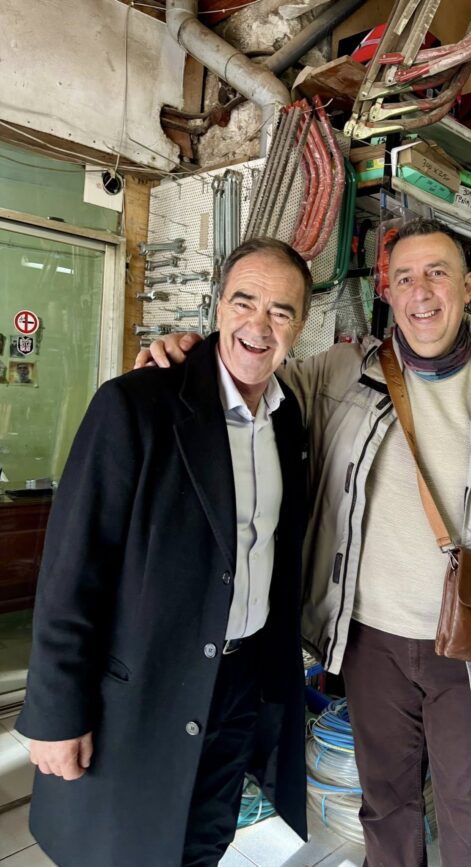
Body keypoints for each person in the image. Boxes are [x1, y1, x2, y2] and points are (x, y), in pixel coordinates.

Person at [138, 218, 471, 867]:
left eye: (437, 274)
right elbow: (252, 368)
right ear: (387, 291)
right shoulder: (343, 372)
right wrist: (189, 353)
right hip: (372, 643)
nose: (420, 292)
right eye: (404, 278)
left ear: (468, 288)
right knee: (386, 804)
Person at [16, 238, 313, 867]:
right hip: (144, 686)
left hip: (239, 684)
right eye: (244, 302)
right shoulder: (137, 404)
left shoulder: (288, 423)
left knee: (205, 839)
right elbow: (73, 569)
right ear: (218, 307)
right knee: (125, 849)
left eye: (281, 311)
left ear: (300, 326)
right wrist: (54, 713)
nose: (259, 325)